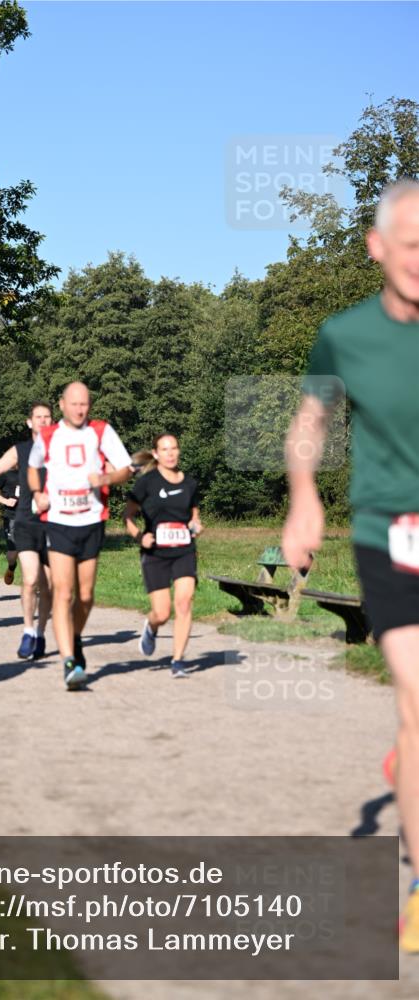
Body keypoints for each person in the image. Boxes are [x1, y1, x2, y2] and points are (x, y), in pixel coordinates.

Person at [282, 179, 419, 953]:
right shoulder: (344, 335)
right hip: (389, 534)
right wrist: (304, 499)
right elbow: (309, 423)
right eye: (406, 245)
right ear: (375, 248)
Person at [27, 382, 133, 689]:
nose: (80, 409)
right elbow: (33, 468)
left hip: (90, 521)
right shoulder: (47, 435)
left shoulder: (100, 431)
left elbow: (127, 468)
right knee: (64, 592)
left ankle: (73, 636)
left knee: (85, 596)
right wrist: (37, 492)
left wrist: (106, 477)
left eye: (84, 403)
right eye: (74, 403)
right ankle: (69, 662)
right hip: (58, 521)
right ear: (62, 404)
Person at [0, 401, 53, 660]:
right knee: (30, 580)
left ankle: (41, 633)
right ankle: (28, 631)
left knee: (49, 584)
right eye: (38, 417)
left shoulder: (63, 449)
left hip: (55, 523)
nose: (43, 421)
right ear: (29, 422)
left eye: (47, 417)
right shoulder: (21, 450)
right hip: (26, 522)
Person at [124, 434, 203, 677]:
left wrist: (196, 525)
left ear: (178, 451)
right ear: (156, 454)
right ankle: (152, 625)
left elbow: (194, 516)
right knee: (162, 612)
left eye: (174, 448)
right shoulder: (146, 483)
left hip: (183, 551)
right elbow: (128, 516)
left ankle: (178, 660)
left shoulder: (189, 483)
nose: (170, 453)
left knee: (184, 601)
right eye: (165, 449)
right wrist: (140, 537)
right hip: (155, 553)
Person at [0, 467, 20, 585]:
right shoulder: (5, 474)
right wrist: (6, 501)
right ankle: (11, 567)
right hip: (11, 517)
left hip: (30, 517)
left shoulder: (33, 471)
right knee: (13, 553)